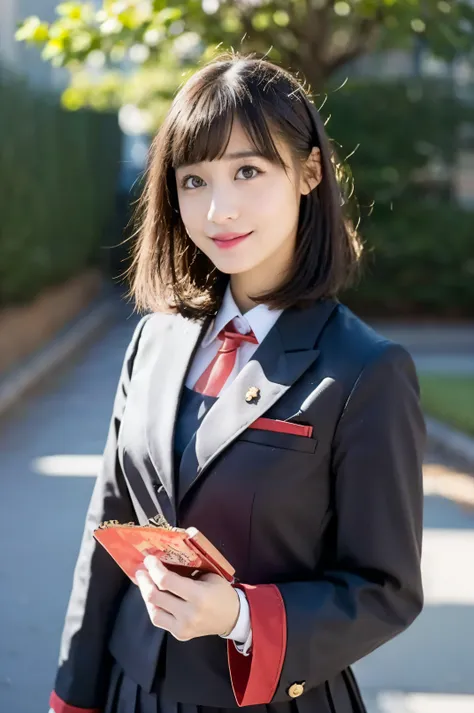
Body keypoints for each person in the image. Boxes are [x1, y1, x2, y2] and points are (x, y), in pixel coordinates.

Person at [48, 53, 426, 713]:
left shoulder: (366, 369)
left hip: (271, 699)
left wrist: (242, 614)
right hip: (129, 692)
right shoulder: (155, 339)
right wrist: (72, 694)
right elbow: (107, 525)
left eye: (247, 170)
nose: (218, 209)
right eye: (194, 180)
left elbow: (385, 589)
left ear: (309, 172)